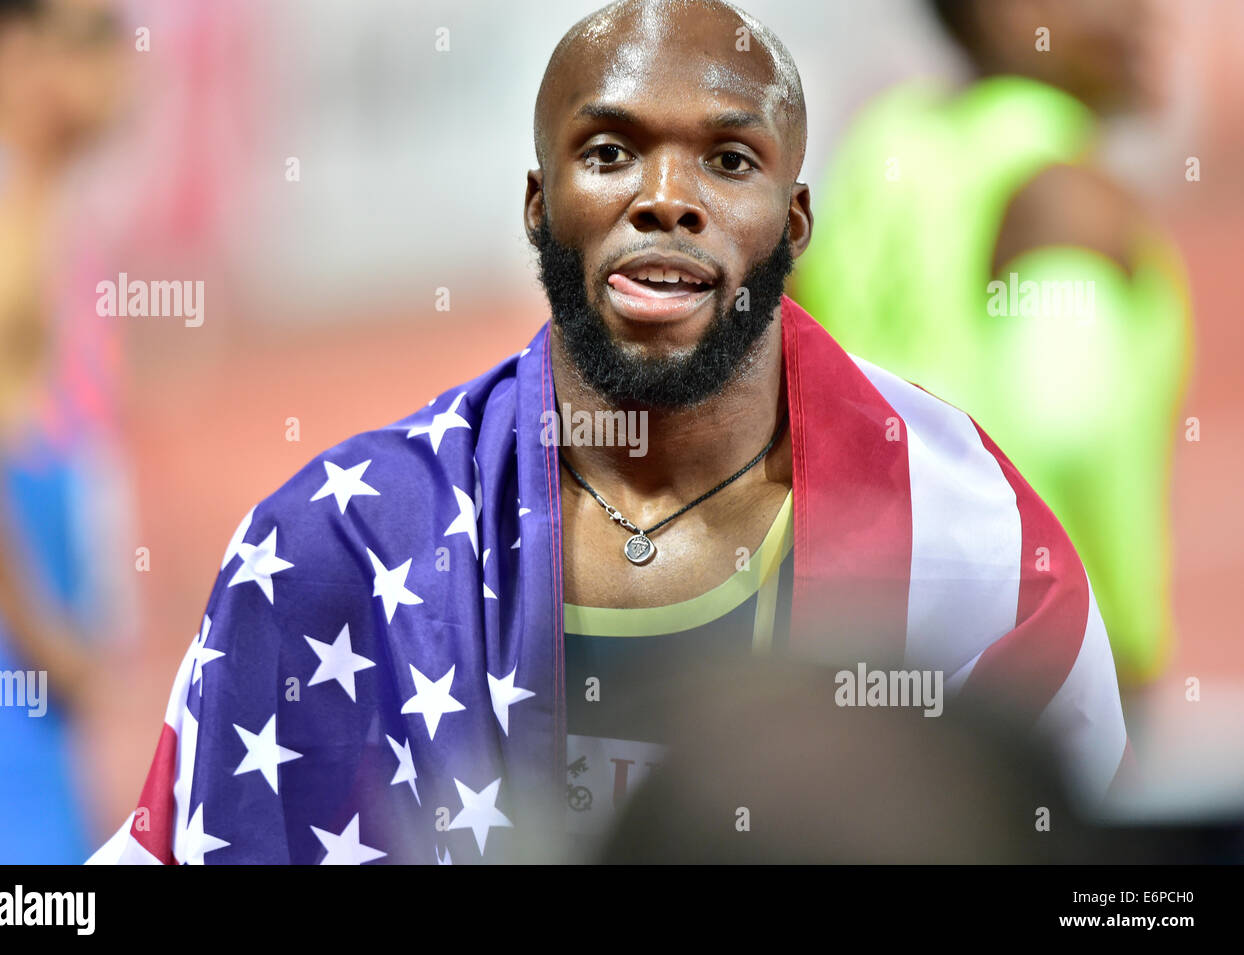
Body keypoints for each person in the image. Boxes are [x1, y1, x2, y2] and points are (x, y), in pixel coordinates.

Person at [90, 0, 1129, 865]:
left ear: (795, 220)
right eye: (609, 152)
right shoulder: (339, 548)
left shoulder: (977, 543)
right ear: (539, 207)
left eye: (727, 159)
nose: (666, 200)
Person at [793, 0, 1191, 687]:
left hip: (862, 640)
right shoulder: (1063, 192)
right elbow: (1070, 427)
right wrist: (1114, 647)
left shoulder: (881, 148)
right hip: (1036, 667)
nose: (1145, 13)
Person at [0, 0, 131, 862]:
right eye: (96, 34)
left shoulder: (1, 208)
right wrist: (43, 637)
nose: (129, 60)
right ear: (14, 60)